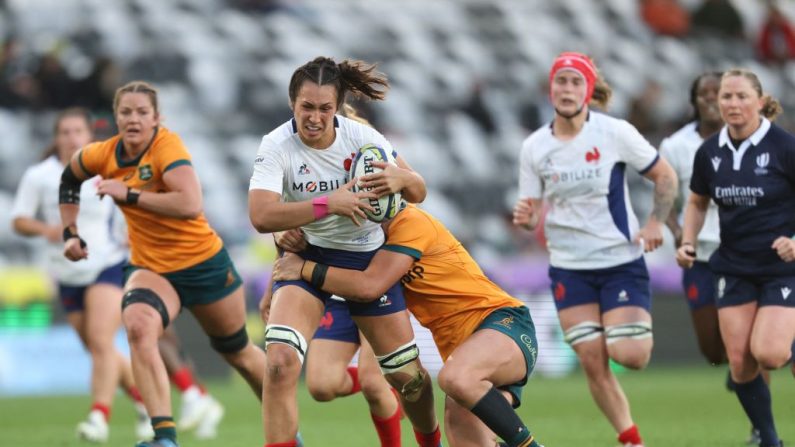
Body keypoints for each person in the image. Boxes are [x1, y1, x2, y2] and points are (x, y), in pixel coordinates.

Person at [59, 81, 268, 447]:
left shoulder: (166, 147)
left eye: (142, 112)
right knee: (139, 328)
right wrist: (70, 233)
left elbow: (189, 204)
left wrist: (130, 194)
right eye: (126, 112)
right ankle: (165, 438)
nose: (134, 119)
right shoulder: (102, 154)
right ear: (116, 117)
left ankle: (288, 431)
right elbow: (70, 178)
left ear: (158, 118)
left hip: (203, 263)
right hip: (152, 269)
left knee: (238, 353)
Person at [248, 56, 441, 447]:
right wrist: (326, 204)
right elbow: (261, 215)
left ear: (337, 109)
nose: (315, 117)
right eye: (307, 107)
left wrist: (406, 178)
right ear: (292, 104)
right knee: (281, 365)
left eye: (324, 108)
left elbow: (417, 192)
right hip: (310, 259)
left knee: (408, 379)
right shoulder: (276, 145)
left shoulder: (363, 140)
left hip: (367, 262)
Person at [271, 203, 544, 447]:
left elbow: (369, 286)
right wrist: (281, 235)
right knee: (463, 426)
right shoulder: (359, 238)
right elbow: (289, 218)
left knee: (454, 378)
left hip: (504, 323)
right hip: (466, 352)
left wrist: (304, 268)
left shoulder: (411, 222)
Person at [512, 52, 678, 447]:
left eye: (575, 82)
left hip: (619, 260)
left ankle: (623, 337)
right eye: (560, 81)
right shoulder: (534, 146)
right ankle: (631, 439)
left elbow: (665, 176)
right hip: (569, 267)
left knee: (631, 356)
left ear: (588, 89)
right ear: (550, 88)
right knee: (591, 360)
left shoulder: (614, 132)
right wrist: (526, 217)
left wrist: (656, 222)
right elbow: (531, 213)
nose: (566, 89)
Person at [11, 107, 151, 443]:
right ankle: (147, 405)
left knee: (102, 342)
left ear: (89, 136)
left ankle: (98, 417)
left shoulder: (104, 170)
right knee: (98, 349)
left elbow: (131, 203)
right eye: (65, 132)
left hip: (106, 263)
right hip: (66, 272)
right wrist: (47, 230)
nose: (72, 137)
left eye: (78, 131)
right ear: (57, 137)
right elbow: (19, 220)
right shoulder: (39, 176)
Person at [676, 68, 795, 447]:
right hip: (733, 266)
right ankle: (769, 439)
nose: (732, 103)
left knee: (771, 355)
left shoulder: (784, 147)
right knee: (740, 362)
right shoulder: (709, 152)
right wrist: (688, 241)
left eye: (742, 96)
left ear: (760, 101)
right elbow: (696, 201)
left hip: (782, 269)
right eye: (726, 96)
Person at [261, 278, 403, 447]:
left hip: (380, 289)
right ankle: (391, 381)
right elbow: (286, 251)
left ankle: (387, 383)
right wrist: (270, 290)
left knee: (372, 383)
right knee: (321, 386)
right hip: (337, 294)